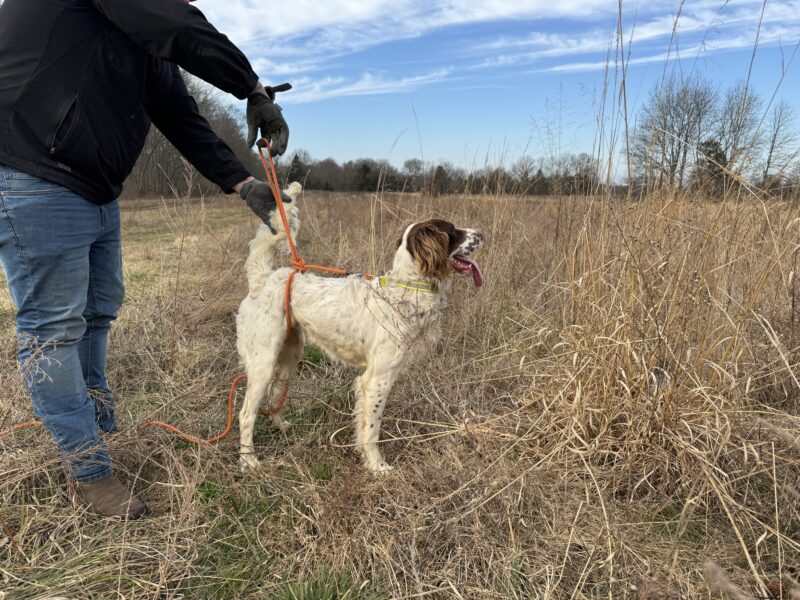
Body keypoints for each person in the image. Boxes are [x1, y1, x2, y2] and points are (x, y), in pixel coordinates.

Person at [0, 0, 289, 518]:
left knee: (99, 309)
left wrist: (241, 181)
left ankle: (98, 426)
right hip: (32, 170)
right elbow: (175, 24)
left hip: (94, 186)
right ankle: (90, 471)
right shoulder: (144, 13)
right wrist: (250, 86)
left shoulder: (143, 37)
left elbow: (180, 115)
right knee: (54, 329)